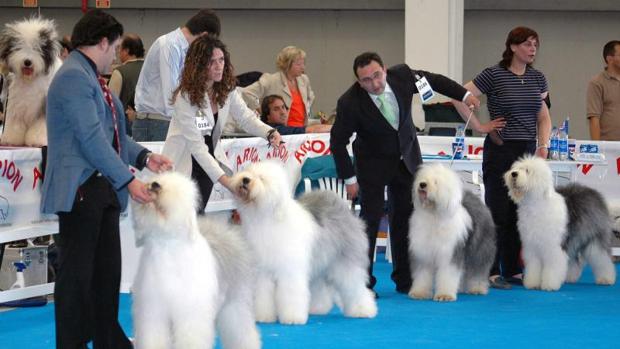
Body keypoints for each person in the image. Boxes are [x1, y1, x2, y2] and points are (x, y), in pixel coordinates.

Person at [40, 10, 172, 348]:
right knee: (77, 281)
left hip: (101, 192)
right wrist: (129, 181)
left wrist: (144, 157)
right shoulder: (73, 78)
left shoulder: (93, 82)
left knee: (104, 279)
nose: (115, 54)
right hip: (82, 191)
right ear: (101, 42)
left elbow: (112, 136)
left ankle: (108, 341)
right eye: (114, 47)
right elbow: (90, 139)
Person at [330, 52, 480, 296]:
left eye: (377, 75)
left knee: (405, 220)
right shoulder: (349, 102)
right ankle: (363, 284)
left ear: (385, 70)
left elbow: (436, 81)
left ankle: (405, 279)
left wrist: (464, 95)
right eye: (366, 80)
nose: (374, 83)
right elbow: (337, 141)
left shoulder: (403, 76)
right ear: (359, 82)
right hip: (372, 168)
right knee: (369, 223)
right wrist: (349, 179)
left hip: (407, 163)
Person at [453, 26, 551, 289]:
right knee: (497, 212)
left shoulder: (538, 79)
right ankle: (491, 270)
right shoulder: (493, 74)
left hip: (527, 152)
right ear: (513, 47)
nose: (533, 49)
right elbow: (459, 97)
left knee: (521, 213)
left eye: (535, 45)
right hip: (499, 149)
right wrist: (479, 126)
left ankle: (514, 269)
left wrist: (544, 146)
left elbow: (543, 117)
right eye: (528, 44)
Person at [162, 36, 282, 213]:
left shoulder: (226, 89)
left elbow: (245, 117)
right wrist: (229, 183)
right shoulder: (185, 97)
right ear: (199, 65)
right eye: (212, 62)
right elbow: (197, 147)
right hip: (184, 164)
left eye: (221, 60)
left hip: (208, 166)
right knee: (184, 221)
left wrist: (269, 132)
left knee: (198, 219)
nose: (219, 66)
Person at [134, 9, 220, 141]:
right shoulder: (169, 46)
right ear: (204, 35)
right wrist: (202, 125)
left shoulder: (185, 50)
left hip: (167, 121)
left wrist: (204, 126)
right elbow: (173, 96)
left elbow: (189, 94)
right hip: (157, 122)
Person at [242, 46, 315, 127]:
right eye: (298, 64)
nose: (303, 67)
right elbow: (247, 92)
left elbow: (310, 99)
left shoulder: (304, 80)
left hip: (302, 129)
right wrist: (262, 111)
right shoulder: (271, 79)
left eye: (303, 63)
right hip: (281, 130)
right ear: (287, 64)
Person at [108, 34, 145, 137]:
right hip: (152, 122)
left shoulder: (119, 72)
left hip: (125, 129)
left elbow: (110, 104)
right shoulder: (152, 70)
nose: (118, 52)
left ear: (127, 50)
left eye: (119, 48)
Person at [587, 40, 620, 140]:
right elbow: (594, 118)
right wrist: (597, 149)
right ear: (610, 59)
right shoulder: (597, 83)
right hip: (609, 147)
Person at [260, 94, 331, 135]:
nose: (282, 112)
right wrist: (337, 127)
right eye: (276, 109)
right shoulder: (275, 130)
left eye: (283, 107)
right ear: (267, 116)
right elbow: (311, 130)